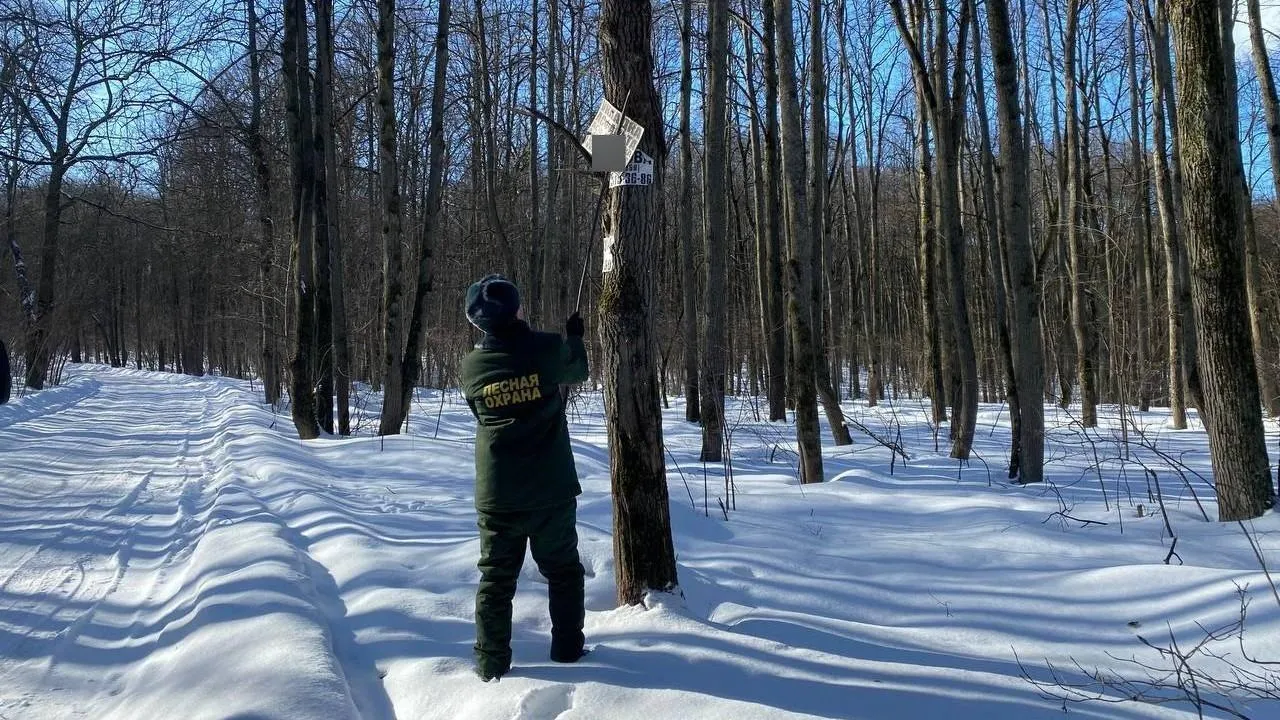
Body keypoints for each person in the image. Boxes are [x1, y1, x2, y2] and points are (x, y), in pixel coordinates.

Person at [459, 274, 590, 682]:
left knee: (496, 580)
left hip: (499, 494)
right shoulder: (546, 347)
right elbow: (579, 371)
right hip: (551, 488)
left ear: (476, 323)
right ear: (517, 310)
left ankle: (490, 662)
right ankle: (567, 649)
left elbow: (481, 414)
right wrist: (576, 337)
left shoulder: (471, 367)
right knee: (564, 571)